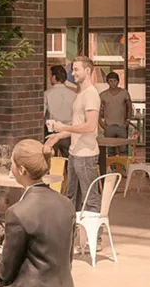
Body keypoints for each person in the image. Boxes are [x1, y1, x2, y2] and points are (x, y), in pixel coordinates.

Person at [0, 139, 75, 287]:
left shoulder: (18, 212)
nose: (10, 168)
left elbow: (5, 271)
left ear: (21, 170)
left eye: (12, 163)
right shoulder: (67, 204)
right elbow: (67, 259)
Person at [44, 55, 103, 210]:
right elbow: (77, 127)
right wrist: (58, 136)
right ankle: (72, 232)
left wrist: (63, 128)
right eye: (73, 69)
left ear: (88, 70)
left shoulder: (91, 94)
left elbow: (90, 127)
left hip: (86, 156)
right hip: (75, 153)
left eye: (76, 69)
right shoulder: (80, 94)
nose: (73, 73)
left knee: (90, 199)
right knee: (71, 198)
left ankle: (93, 234)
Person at [43, 64, 76, 131]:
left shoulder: (47, 94)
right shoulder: (74, 95)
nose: (49, 78)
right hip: (70, 130)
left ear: (54, 77)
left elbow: (42, 114)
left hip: (52, 130)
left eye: (50, 75)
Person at [99, 71, 130, 139]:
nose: (113, 83)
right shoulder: (103, 95)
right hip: (109, 125)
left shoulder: (124, 93)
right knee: (110, 148)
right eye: (111, 81)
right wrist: (101, 123)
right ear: (108, 82)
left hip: (121, 125)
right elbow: (98, 110)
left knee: (123, 148)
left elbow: (129, 107)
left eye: (114, 80)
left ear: (118, 81)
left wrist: (127, 121)